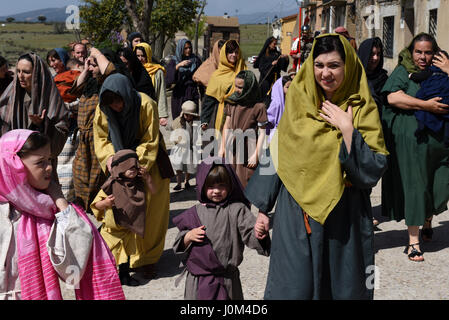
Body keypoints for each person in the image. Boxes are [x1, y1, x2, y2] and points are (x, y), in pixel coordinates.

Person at [244, 34, 388, 299]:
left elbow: (374, 168)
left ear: (348, 66)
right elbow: (278, 149)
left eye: (334, 65)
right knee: (293, 286)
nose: (325, 73)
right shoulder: (300, 98)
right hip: (295, 212)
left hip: (344, 214)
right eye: (319, 65)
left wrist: (347, 130)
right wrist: (264, 209)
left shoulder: (362, 106)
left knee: (343, 286)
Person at [0, 129, 125, 300]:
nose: (49, 167)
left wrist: (60, 200)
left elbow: (73, 269)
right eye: (40, 162)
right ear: (14, 166)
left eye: (50, 159)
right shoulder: (4, 211)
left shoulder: (54, 212)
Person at [93, 73, 171, 280]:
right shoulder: (103, 109)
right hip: (119, 167)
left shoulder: (146, 104)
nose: (117, 107)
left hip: (147, 165)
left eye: (119, 101)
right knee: (124, 211)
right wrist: (110, 159)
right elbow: (100, 138)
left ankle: (149, 259)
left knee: (151, 213)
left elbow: (151, 138)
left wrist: (134, 164)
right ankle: (125, 259)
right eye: (111, 103)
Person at [381, 33, 449, 262]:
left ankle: (428, 219)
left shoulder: (444, 67)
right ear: (412, 52)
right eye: (418, 51)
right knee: (416, 186)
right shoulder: (403, 70)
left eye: (428, 52)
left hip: (441, 141)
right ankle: (413, 241)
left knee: (440, 185)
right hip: (412, 143)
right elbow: (393, 98)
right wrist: (426, 106)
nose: (423, 57)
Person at [172, 157, 270, 300]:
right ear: (201, 186)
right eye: (211, 187)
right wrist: (188, 236)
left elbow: (250, 233)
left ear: (230, 185)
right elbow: (178, 243)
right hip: (198, 282)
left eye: (222, 185)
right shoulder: (194, 212)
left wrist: (259, 233)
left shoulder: (237, 210)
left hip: (227, 282)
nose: (216, 191)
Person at [0, 53, 69, 181]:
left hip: (42, 169)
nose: (20, 76)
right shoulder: (12, 95)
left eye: (26, 72)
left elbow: (61, 131)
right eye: (18, 71)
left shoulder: (51, 98)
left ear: (37, 74)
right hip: (16, 169)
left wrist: (43, 124)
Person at [92, 149, 156, 286]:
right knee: (110, 255)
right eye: (129, 167)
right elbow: (96, 204)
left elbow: (154, 192)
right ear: (121, 167)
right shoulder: (111, 184)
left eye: (135, 166)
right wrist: (106, 203)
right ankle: (108, 278)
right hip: (113, 230)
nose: (134, 169)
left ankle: (125, 276)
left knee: (125, 256)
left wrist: (148, 178)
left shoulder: (138, 183)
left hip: (128, 229)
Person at [69, 48, 119, 211]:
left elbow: (111, 72)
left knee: (98, 179)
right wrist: (86, 68)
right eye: (89, 65)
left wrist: (98, 55)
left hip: (99, 140)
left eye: (94, 65)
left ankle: (101, 211)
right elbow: (74, 90)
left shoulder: (108, 87)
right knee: (80, 175)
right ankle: (85, 211)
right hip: (83, 141)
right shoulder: (88, 85)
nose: (90, 68)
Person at [219, 70, 268, 188]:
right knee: (229, 182)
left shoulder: (258, 107)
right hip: (232, 146)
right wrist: (222, 147)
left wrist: (255, 155)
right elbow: (227, 126)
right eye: (236, 86)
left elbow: (262, 133)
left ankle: (244, 207)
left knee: (245, 183)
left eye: (240, 87)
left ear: (249, 87)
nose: (236, 89)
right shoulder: (232, 102)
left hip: (248, 148)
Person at [201, 40, 247, 135]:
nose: (234, 55)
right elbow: (209, 101)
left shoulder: (245, 71)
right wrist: (204, 120)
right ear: (224, 54)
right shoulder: (217, 76)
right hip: (223, 116)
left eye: (236, 52)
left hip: (243, 116)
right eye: (230, 52)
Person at [411, 50, 449, 146]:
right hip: (444, 100)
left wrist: (411, 75)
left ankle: (421, 126)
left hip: (431, 95)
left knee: (422, 109)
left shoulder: (430, 70)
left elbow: (419, 76)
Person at [166, 39, 202, 120]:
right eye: (185, 48)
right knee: (179, 122)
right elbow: (168, 79)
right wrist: (177, 66)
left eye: (189, 48)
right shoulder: (174, 62)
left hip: (192, 93)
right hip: (179, 95)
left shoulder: (196, 60)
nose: (188, 50)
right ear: (181, 49)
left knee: (193, 122)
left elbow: (201, 76)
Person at [135, 42, 169, 127]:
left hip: (151, 111)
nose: (140, 59)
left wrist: (162, 115)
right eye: (137, 56)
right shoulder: (132, 70)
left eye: (143, 56)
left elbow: (161, 94)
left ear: (148, 55)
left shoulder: (157, 71)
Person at [170, 100, 200, 191]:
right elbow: (174, 133)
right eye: (187, 115)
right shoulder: (177, 122)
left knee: (188, 166)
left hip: (190, 148)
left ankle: (187, 181)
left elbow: (198, 134)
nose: (189, 117)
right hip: (179, 148)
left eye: (191, 115)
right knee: (178, 166)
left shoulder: (196, 121)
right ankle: (179, 183)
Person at [357, 37, 388, 118]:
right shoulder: (355, 77)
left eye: (378, 54)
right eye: (372, 54)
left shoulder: (383, 78)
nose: (376, 58)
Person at [254, 37, 289, 106]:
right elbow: (261, 68)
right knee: (265, 101)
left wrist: (285, 59)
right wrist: (271, 64)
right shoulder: (264, 55)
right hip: (266, 82)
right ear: (269, 44)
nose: (275, 45)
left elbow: (282, 66)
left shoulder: (277, 54)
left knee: (276, 100)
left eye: (276, 44)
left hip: (276, 80)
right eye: (274, 44)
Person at [265, 75, 291, 143]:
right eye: (287, 87)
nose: (290, 89)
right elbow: (270, 120)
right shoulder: (276, 103)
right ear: (280, 88)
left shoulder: (290, 100)